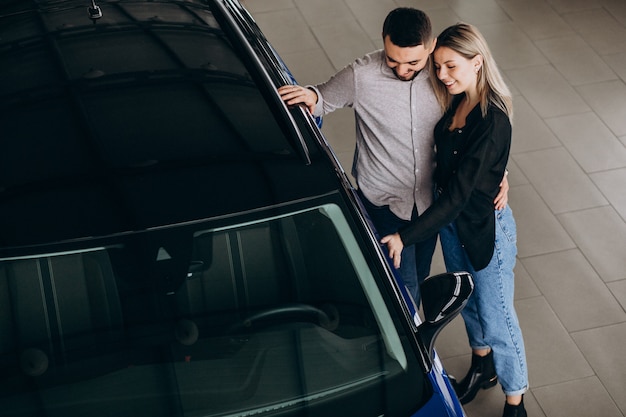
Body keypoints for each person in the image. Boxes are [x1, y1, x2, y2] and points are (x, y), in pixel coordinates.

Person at [278, 8, 508, 306]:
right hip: (384, 203)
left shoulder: (443, 75)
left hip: (428, 203)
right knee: (402, 289)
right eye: (392, 60)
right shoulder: (361, 76)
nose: (401, 70)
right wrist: (311, 96)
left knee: (419, 275)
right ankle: (412, 346)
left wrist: (498, 172)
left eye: (413, 62)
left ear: (431, 46)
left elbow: (475, 129)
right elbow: (322, 98)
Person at [381, 23, 528, 417]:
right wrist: (502, 174)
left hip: (484, 230)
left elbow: (461, 194)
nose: (442, 76)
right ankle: (482, 366)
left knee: (499, 320)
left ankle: (516, 401)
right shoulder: (453, 99)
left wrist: (404, 236)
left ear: (477, 62)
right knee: (469, 304)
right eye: (438, 66)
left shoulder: (493, 120)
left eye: (451, 67)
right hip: (452, 227)